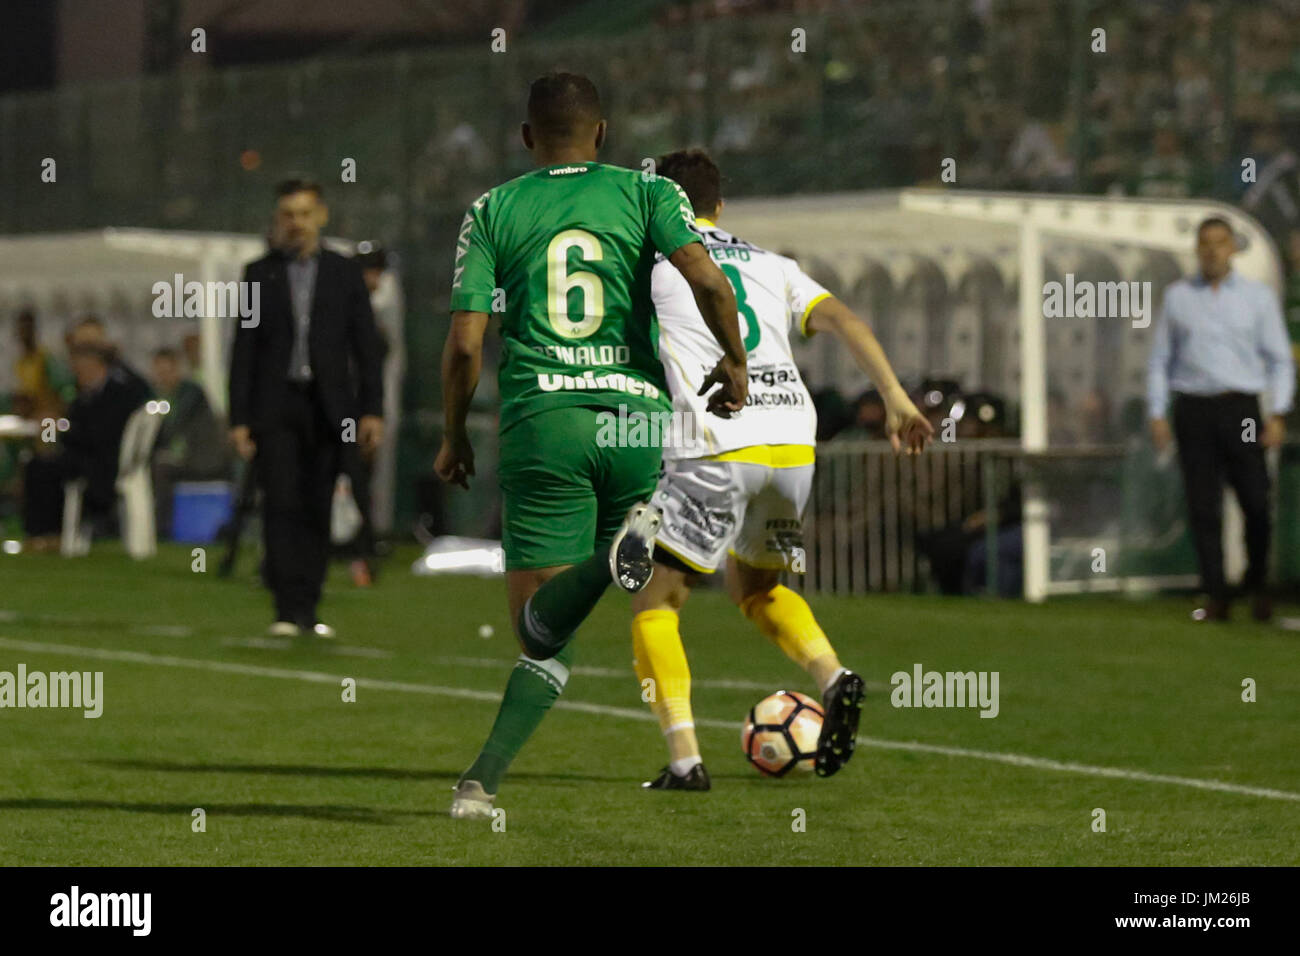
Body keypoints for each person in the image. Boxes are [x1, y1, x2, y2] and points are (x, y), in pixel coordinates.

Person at [435, 73, 746, 819]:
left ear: (525, 137)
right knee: (566, 616)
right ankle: (479, 777)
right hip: (636, 420)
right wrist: (732, 363)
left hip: (547, 423)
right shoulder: (650, 193)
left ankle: (480, 785)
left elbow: (464, 345)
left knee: (540, 633)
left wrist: (453, 434)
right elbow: (712, 284)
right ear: (603, 134)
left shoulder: (493, 210)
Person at [629, 149, 933, 788]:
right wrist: (896, 398)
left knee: (657, 601)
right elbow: (845, 319)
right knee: (758, 589)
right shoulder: (772, 264)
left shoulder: (652, 264)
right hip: (794, 446)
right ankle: (832, 676)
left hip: (717, 440)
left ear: (663, 205)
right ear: (721, 205)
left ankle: (685, 761)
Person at [228, 179, 386, 638]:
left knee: (319, 502)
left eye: (303, 213)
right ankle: (284, 607)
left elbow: (365, 348)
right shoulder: (259, 274)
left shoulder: (344, 274)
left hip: (329, 407)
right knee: (280, 502)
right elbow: (245, 348)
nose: (295, 223)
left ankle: (309, 607)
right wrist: (239, 417)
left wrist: (371, 410)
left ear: (321, 216)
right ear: (279, 220)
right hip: (275, 407)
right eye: (287, 215)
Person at [1147, 216, 1295, 621]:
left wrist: (1278, 412)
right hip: (1193, 407)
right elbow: (1161, 359)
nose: (1213, 250)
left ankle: (1258, 585)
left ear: (1233, 248)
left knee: (1255, 501)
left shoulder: (1257, 298)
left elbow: (1280, 360)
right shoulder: (1178, 297)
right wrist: (1157, 411)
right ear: (1197, 249)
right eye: (1206, 243)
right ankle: (1216, 593)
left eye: (1220, 242)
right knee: (1203, 506)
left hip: (1241, 407)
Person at [23, 343, 148, 548]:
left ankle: (47, 533)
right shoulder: (85, 394)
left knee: (42, 468)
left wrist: (64, 429)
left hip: (104, 463)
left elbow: (99, 435)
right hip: (88, 456)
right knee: (37, 462)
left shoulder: (119, 393)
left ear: (98, 367)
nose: (79, 374)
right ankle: (43, 533)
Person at [149, 347, 229, 539]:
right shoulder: (162, 396)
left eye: (166, 372)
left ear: (177, 369)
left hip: (202, 459)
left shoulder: (191, 392)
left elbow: (171, 426)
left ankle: (163, 529)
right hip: (185, 457)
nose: (163, 377)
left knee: (160, 469)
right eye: (159, 373)